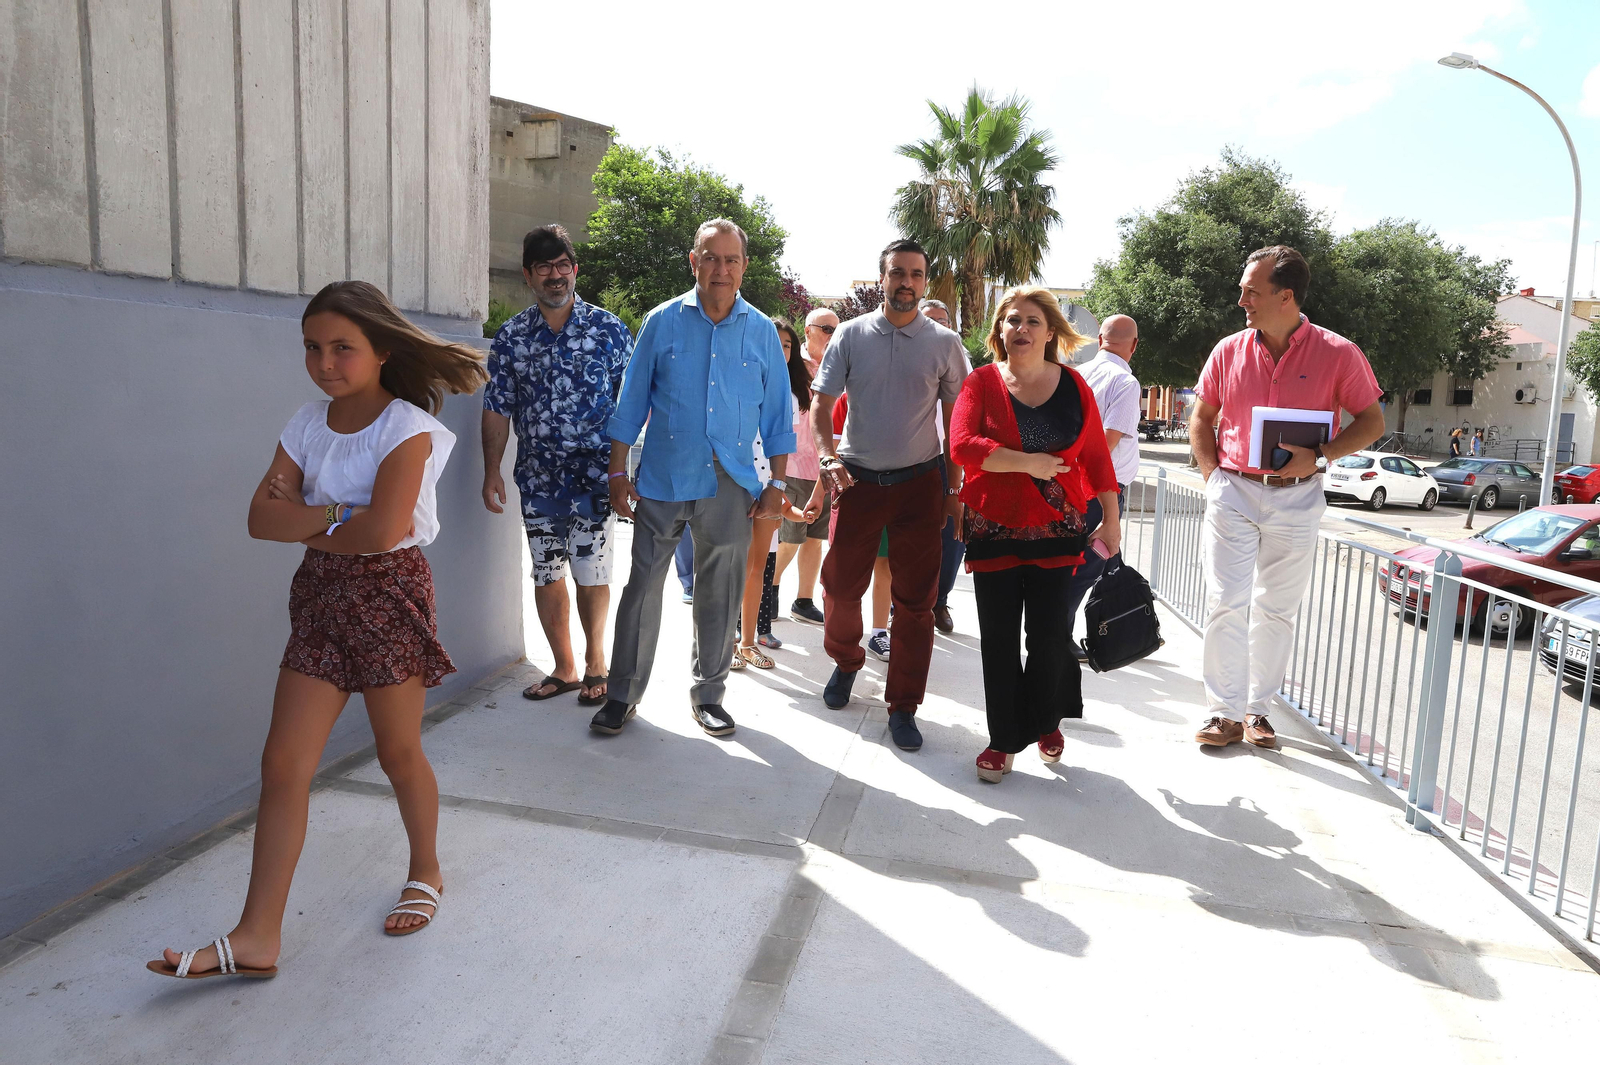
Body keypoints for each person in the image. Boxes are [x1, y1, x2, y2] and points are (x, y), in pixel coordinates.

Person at [148, 281, 487, 980]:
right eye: (313, 347)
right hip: (320, 601)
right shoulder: (305, 423)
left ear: (381, 350)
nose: (325, 362)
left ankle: (426, 868)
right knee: (283, 764)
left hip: (389, 595)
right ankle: (257, 934)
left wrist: (314, 513)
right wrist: (341, 515)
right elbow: (258, 519)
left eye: (342, 347)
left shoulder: (407, 429)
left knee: (397, 750)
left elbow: (384, 531)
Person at [594, 219, 795, 738]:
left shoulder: (762, 333)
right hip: (662, 477)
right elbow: (631, 401)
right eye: (711, 258)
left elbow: (777, 416)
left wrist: (777, 484)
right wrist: (618, 470)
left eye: (731, 260)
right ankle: (622, 695)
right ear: (693, 261)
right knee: (642, 588)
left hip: (731, 484)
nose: (721, 269)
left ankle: (709, 695)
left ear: (744, 266)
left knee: (719, 593)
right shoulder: (661, 321)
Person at [1190, 246, 1384, 749]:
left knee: (1276, 609)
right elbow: (1201, 419)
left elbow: (1371, 422)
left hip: (1299, 497)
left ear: (1286, 296)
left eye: (1252, 291)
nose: (1242, 300)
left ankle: (1258, 710)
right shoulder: (1227, 350)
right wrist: (1214, 478)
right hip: (1233, 489)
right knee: (1225, 602)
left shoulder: (1339, 353)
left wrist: (1320, 456)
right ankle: (1223, 713)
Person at [950, 286, 1120, 782]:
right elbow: (962, 445)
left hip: (1058, 528)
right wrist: (1030, 464)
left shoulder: (1074, 385)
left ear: (1050, 333)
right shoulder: (981, 383)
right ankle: (1003, 741)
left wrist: (1110, 517)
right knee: (998, 641)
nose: (1020, 329)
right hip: (993, 528)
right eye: (1011, 320)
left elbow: (1095, 457)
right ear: (999, 331)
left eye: (1031, 321)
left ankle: (1046, 721)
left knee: (1049, 638)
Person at [811, 239, 968, 751]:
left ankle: (903, 705)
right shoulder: (851, 336)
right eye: (897, 272)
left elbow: (958, 424)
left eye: (916, 274)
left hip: (920, 485)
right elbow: (822, 404)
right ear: (881, 279)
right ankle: (846, 661)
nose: (906, 281)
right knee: (837, 587)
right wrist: (828, 455)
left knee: (916, 604)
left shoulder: (944, 343)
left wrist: (954, 490)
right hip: (856, 481)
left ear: (925, 282)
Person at [482, 225, 632, 706]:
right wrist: (491, 471)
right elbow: (497, 408)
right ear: (528, 275)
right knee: (546, 572)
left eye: (562, 264)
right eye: (543, 267)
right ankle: (564, 668)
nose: (554, 275)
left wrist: (625, 471)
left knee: (591, 570)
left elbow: (635, 407)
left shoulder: (608, 330)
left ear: (574, 268)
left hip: (594, 478)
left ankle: (596, 665)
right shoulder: (511, 337)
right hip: (539, 478)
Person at [735, 320, 815, 667]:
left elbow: (780, 451)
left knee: (756, 568)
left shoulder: (792, 392)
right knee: (724, 568)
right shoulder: (737, 378)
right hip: (728, 482)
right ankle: (720, 643)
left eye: (786, 345)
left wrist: (788, 506)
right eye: (773, 342)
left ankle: (747, 643)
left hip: (768, 485)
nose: (779, 350)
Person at [1064, 313, 1143, 660]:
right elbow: (1108, 442)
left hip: (1071, 484)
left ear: (1099, 339)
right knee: (1086, 566)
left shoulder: (1079, 375)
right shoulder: (1125, 383)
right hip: (1100, 491)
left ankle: (1059, 630)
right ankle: (1058, 634)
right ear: (1134, 345)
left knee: (1082, 562)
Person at [776, 306, 841, 625]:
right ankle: (766, 596)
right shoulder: (792, 365)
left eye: (836, 329)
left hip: (825, 469)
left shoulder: (838, 366)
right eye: (827, 329)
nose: (833, 335)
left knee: (815, 538)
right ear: (809, 330)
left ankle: (803, 600)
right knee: (789, 538)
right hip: (791, 467)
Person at [921, 297, 966, 634]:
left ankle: (940, 601)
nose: (937, 324)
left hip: (952, 457)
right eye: (930, 319)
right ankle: (901, 604)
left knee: (953, 532)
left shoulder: (960, 358)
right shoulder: (907, 355)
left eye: (942, 319)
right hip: (915, 457)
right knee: (912, 533)